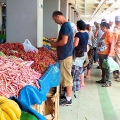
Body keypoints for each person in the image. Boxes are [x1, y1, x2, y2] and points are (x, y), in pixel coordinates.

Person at [51, 11, 73, 106]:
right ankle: (67, 96)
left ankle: (68, 99)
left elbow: (64, 42)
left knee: (67, 78)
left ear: (58, 16)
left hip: (65, 56)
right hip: (66, 55)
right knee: (65, 77)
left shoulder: (65, 26)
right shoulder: (66, 25)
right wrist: (56, 40)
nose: (55, 22)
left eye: (55, 19)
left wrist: (54, 44)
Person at [96, 22, 115, 87]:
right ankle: (103, 79)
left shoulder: (109, 33)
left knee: (107, 68)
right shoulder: (105, 33)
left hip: (106, 54)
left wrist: (109, 53)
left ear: (104, 27)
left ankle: (108, 81)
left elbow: (112, 44)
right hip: (102, 53)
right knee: (103, 67)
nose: (100, 29)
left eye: (101, 27)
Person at [72, 20, 89, 90]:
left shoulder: (78, 34)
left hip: (78, 53)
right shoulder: (86, 34)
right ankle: (82, 83)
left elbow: (75, 44)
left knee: (76, 68)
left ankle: (76, 85)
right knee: (80, 68)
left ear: (78, 26)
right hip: (84, 52)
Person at [113, 16, 120, 81]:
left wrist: (113, 47)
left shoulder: (116, 29)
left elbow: (115, 39)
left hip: (118, 47)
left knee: (118, 61)